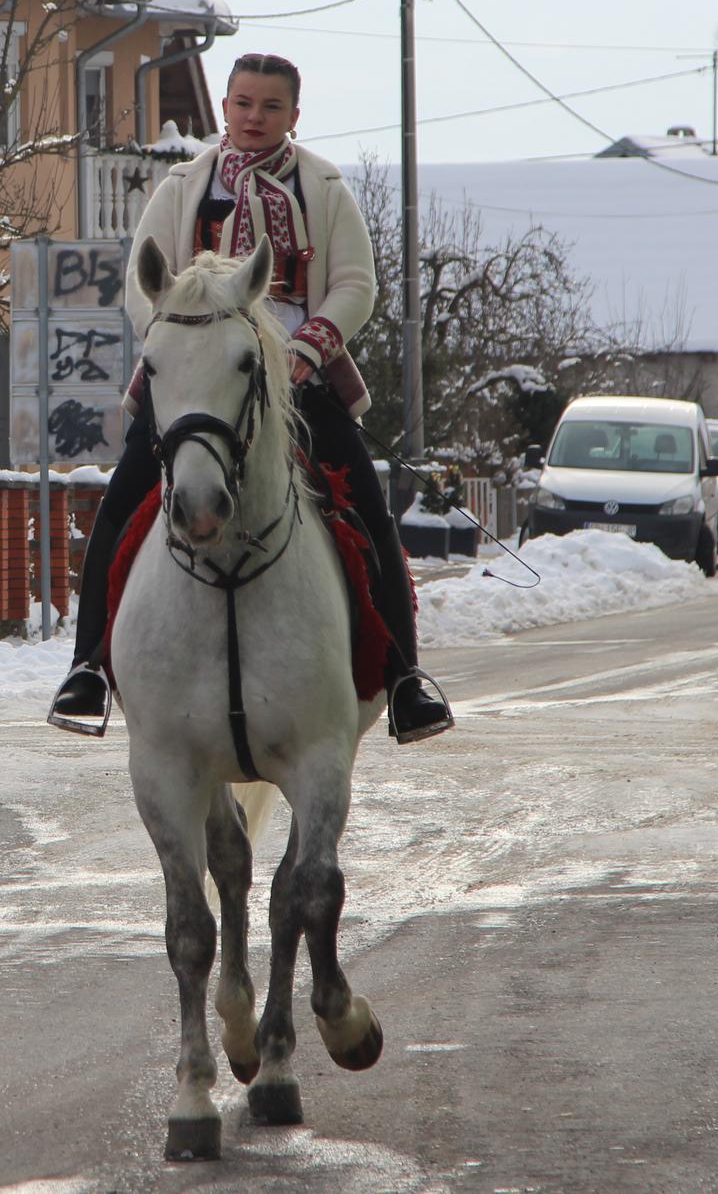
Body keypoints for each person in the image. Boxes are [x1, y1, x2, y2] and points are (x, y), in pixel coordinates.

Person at [45, 53, 453, 744]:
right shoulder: (182, 185)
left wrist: (306, 349)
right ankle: (86, 666)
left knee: (367, 510)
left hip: (296, 377)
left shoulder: (324, 187)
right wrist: (177, 345)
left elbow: (355, 284)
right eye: (242, 103)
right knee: (120, 504)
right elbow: (142, 285)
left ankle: (403, 678)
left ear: (294, 114)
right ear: (226, 107)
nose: (253, 117)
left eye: (269, 106)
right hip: (199, 380)